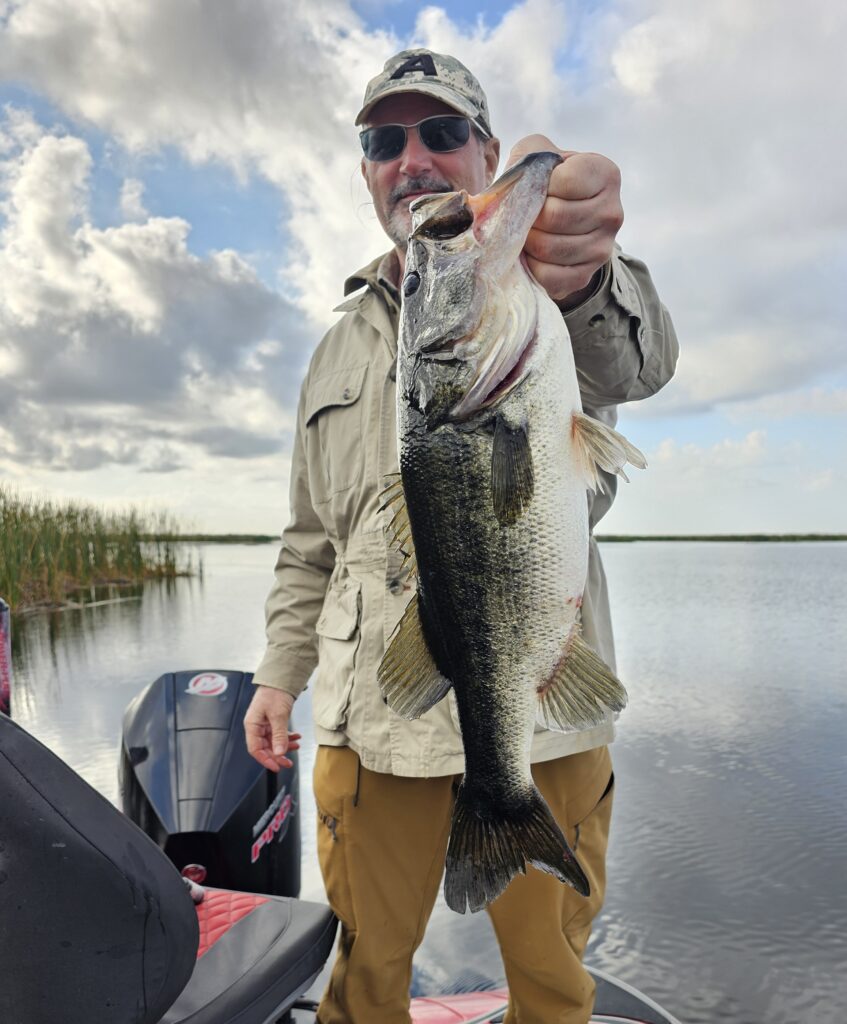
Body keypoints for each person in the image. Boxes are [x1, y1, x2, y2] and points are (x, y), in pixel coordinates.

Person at [244, 48, 678, 1024]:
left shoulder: (541, 292)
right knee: (363, 976)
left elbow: (638, 360)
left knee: (556, 981)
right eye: (383, 140)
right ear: (365, 168)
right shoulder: (336, 345)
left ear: (483, 150)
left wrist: (580, 262)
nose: (413, 158)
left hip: (546, 707)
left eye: (441, 133)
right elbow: (311, 533)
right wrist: (279, 673)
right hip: (374, 717)